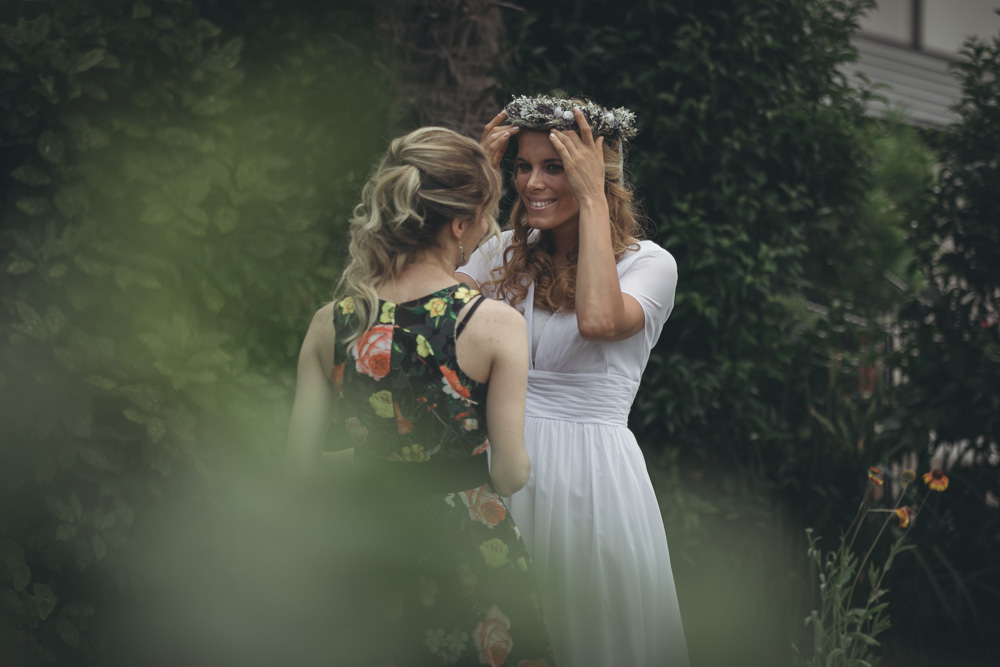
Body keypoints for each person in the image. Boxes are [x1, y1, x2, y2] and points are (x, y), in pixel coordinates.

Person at [285, 126, 556, 666]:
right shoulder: (493, 325)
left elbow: (298, 470)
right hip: (470, 554)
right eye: (484, 217)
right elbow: (508, 474)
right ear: (458, 224)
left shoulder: (330, 324)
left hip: (366, 545)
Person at [457, 95, 691, 667]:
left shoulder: (650, 264)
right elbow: (430, 309)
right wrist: (475, 187)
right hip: (498, 470)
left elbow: (599, 320)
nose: (532, 182)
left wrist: (592, 198)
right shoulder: (503, 255)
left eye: (554, 166)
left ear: (595, 173)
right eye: (522, 167)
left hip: (590, 477)